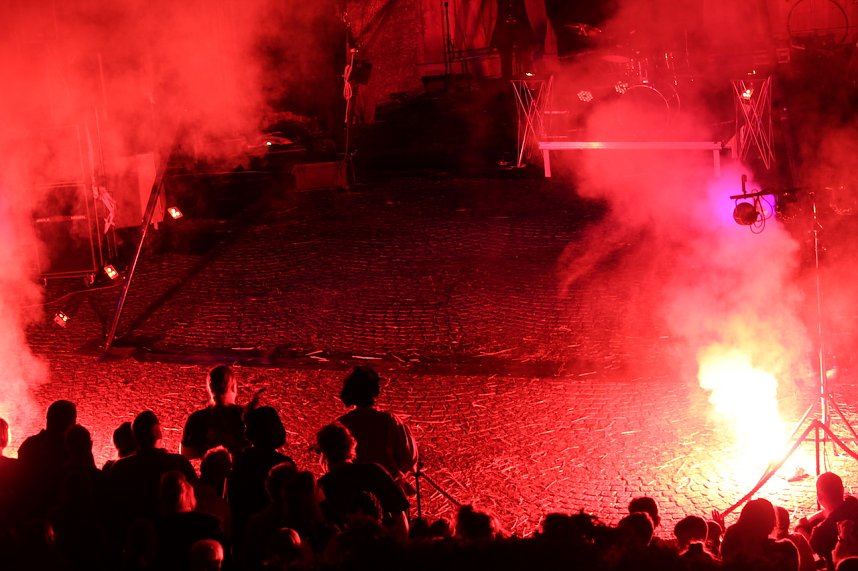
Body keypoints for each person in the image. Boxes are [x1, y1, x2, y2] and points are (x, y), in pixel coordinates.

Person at [316, 423, 409, 540]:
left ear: (323, 453)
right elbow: (399, 513)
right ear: (351, 446)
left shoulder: (323, 486)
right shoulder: (374, 471)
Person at [336, 366, 417, 493]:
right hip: (388, 487)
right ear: (373, 391)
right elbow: (407, 457)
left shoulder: (341, 423)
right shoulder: (389, 420)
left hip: (354, 489)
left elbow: (333, 460)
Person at [17, 399, 77, 516]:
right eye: (72, 418)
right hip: (57, 513)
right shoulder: (70, 449)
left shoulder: (29, 444)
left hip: (31, 511)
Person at [182, 365, 253, 460]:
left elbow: (185, 454)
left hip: (211, 472)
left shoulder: (197, 419)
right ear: (233, 387)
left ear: (209, 389)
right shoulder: (246, 416)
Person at [797, 472, 858, 570]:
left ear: (819, 497)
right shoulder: (853, 502)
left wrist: (800, 528)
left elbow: (812, 549)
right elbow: (827, 512)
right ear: (842, 490)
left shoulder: (820, 532)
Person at [492, 0, 534, 79]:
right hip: (504, 29)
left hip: (520, 26)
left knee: (524, 54)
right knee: (506, 59)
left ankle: (528, 79)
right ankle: (508, 83)